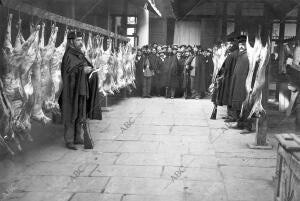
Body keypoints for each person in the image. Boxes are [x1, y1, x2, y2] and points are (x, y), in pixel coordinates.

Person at [59, 31, 102, 150]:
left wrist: (92, 69)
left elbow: (85, 66)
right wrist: (82, 71)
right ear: (71, 41)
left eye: (80, 40)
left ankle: (78, 137)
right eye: (78, 40)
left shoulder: (80, 54)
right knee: (71, 112)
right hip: (72, 90)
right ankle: (69, 140)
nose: (80, 42)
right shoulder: (68, 56)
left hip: (82, 88)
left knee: (81, 113)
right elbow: (67, 74)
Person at [228, 35, 251, 130]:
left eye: (243, 44)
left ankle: (245, 124)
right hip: (237, 82)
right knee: (238, 103)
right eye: (240, 44)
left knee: (243, 103)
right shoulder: (240, 55)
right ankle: (240, 123)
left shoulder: (247, 56)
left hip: (243, 84)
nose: (241, 46)